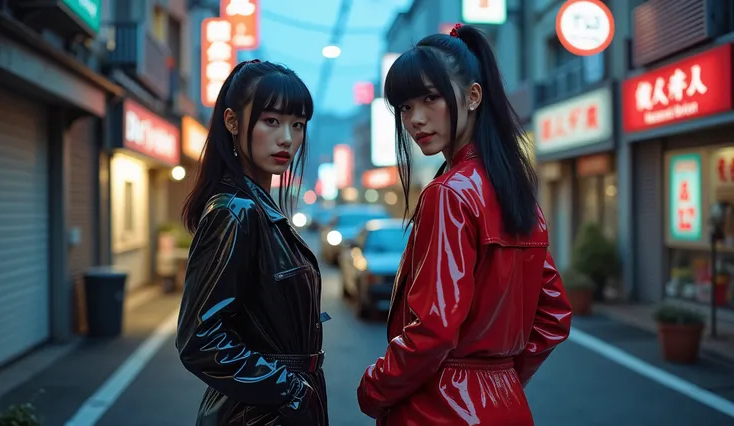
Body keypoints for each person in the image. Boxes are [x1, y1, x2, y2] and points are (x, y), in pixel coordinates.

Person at [356, 24, 573, 425]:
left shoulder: (449, 193)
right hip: (505, 407)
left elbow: (432, 331)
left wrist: (373, 388)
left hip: (438, 410)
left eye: (430, 98)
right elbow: (554, 315)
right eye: (404, 106)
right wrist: (499, 377)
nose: (415, 119)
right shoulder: (514, 190)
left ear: (474, 96)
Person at [176, 59, 328, 426]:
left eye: (298, 124)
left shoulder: (259, 207)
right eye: (271, 121)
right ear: (232, 121)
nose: (287, 138)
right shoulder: (236, 211)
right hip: (258, 415)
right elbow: (200, 339)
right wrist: (290, 391)